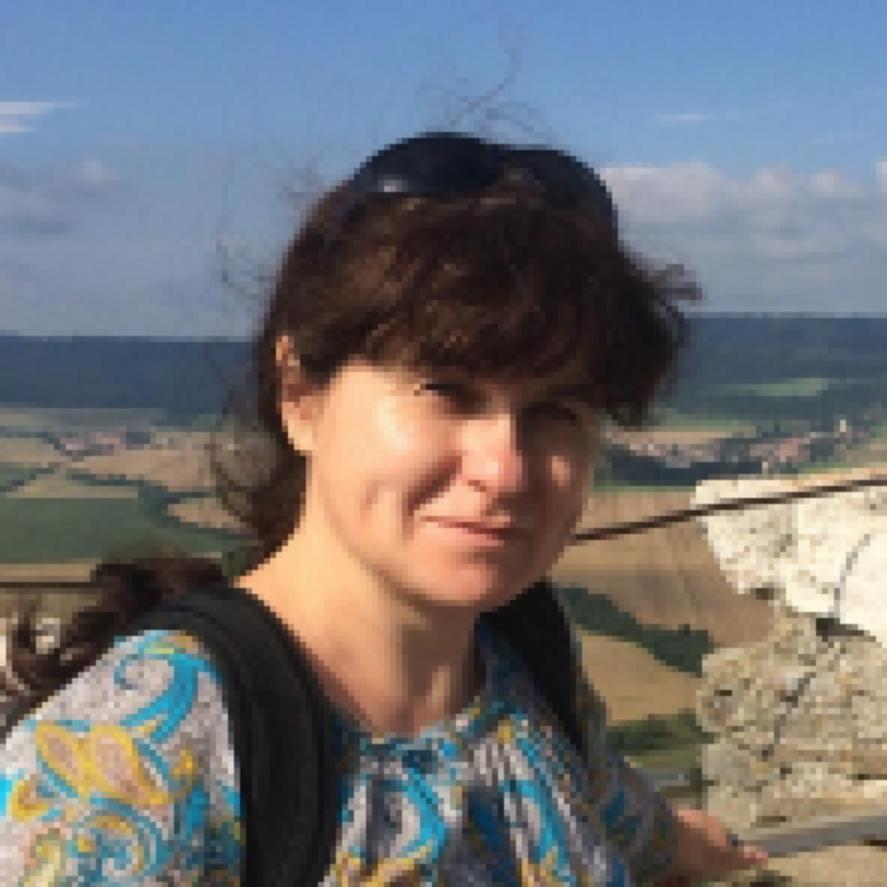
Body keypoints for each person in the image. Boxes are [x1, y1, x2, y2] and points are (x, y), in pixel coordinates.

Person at [0, 131, 767, 884]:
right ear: (299, 396)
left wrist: (684, 844)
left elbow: (602, 809)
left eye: (555, 410)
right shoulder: (126, 770)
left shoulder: (523, 650)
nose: (503, 470)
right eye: (447, 392)